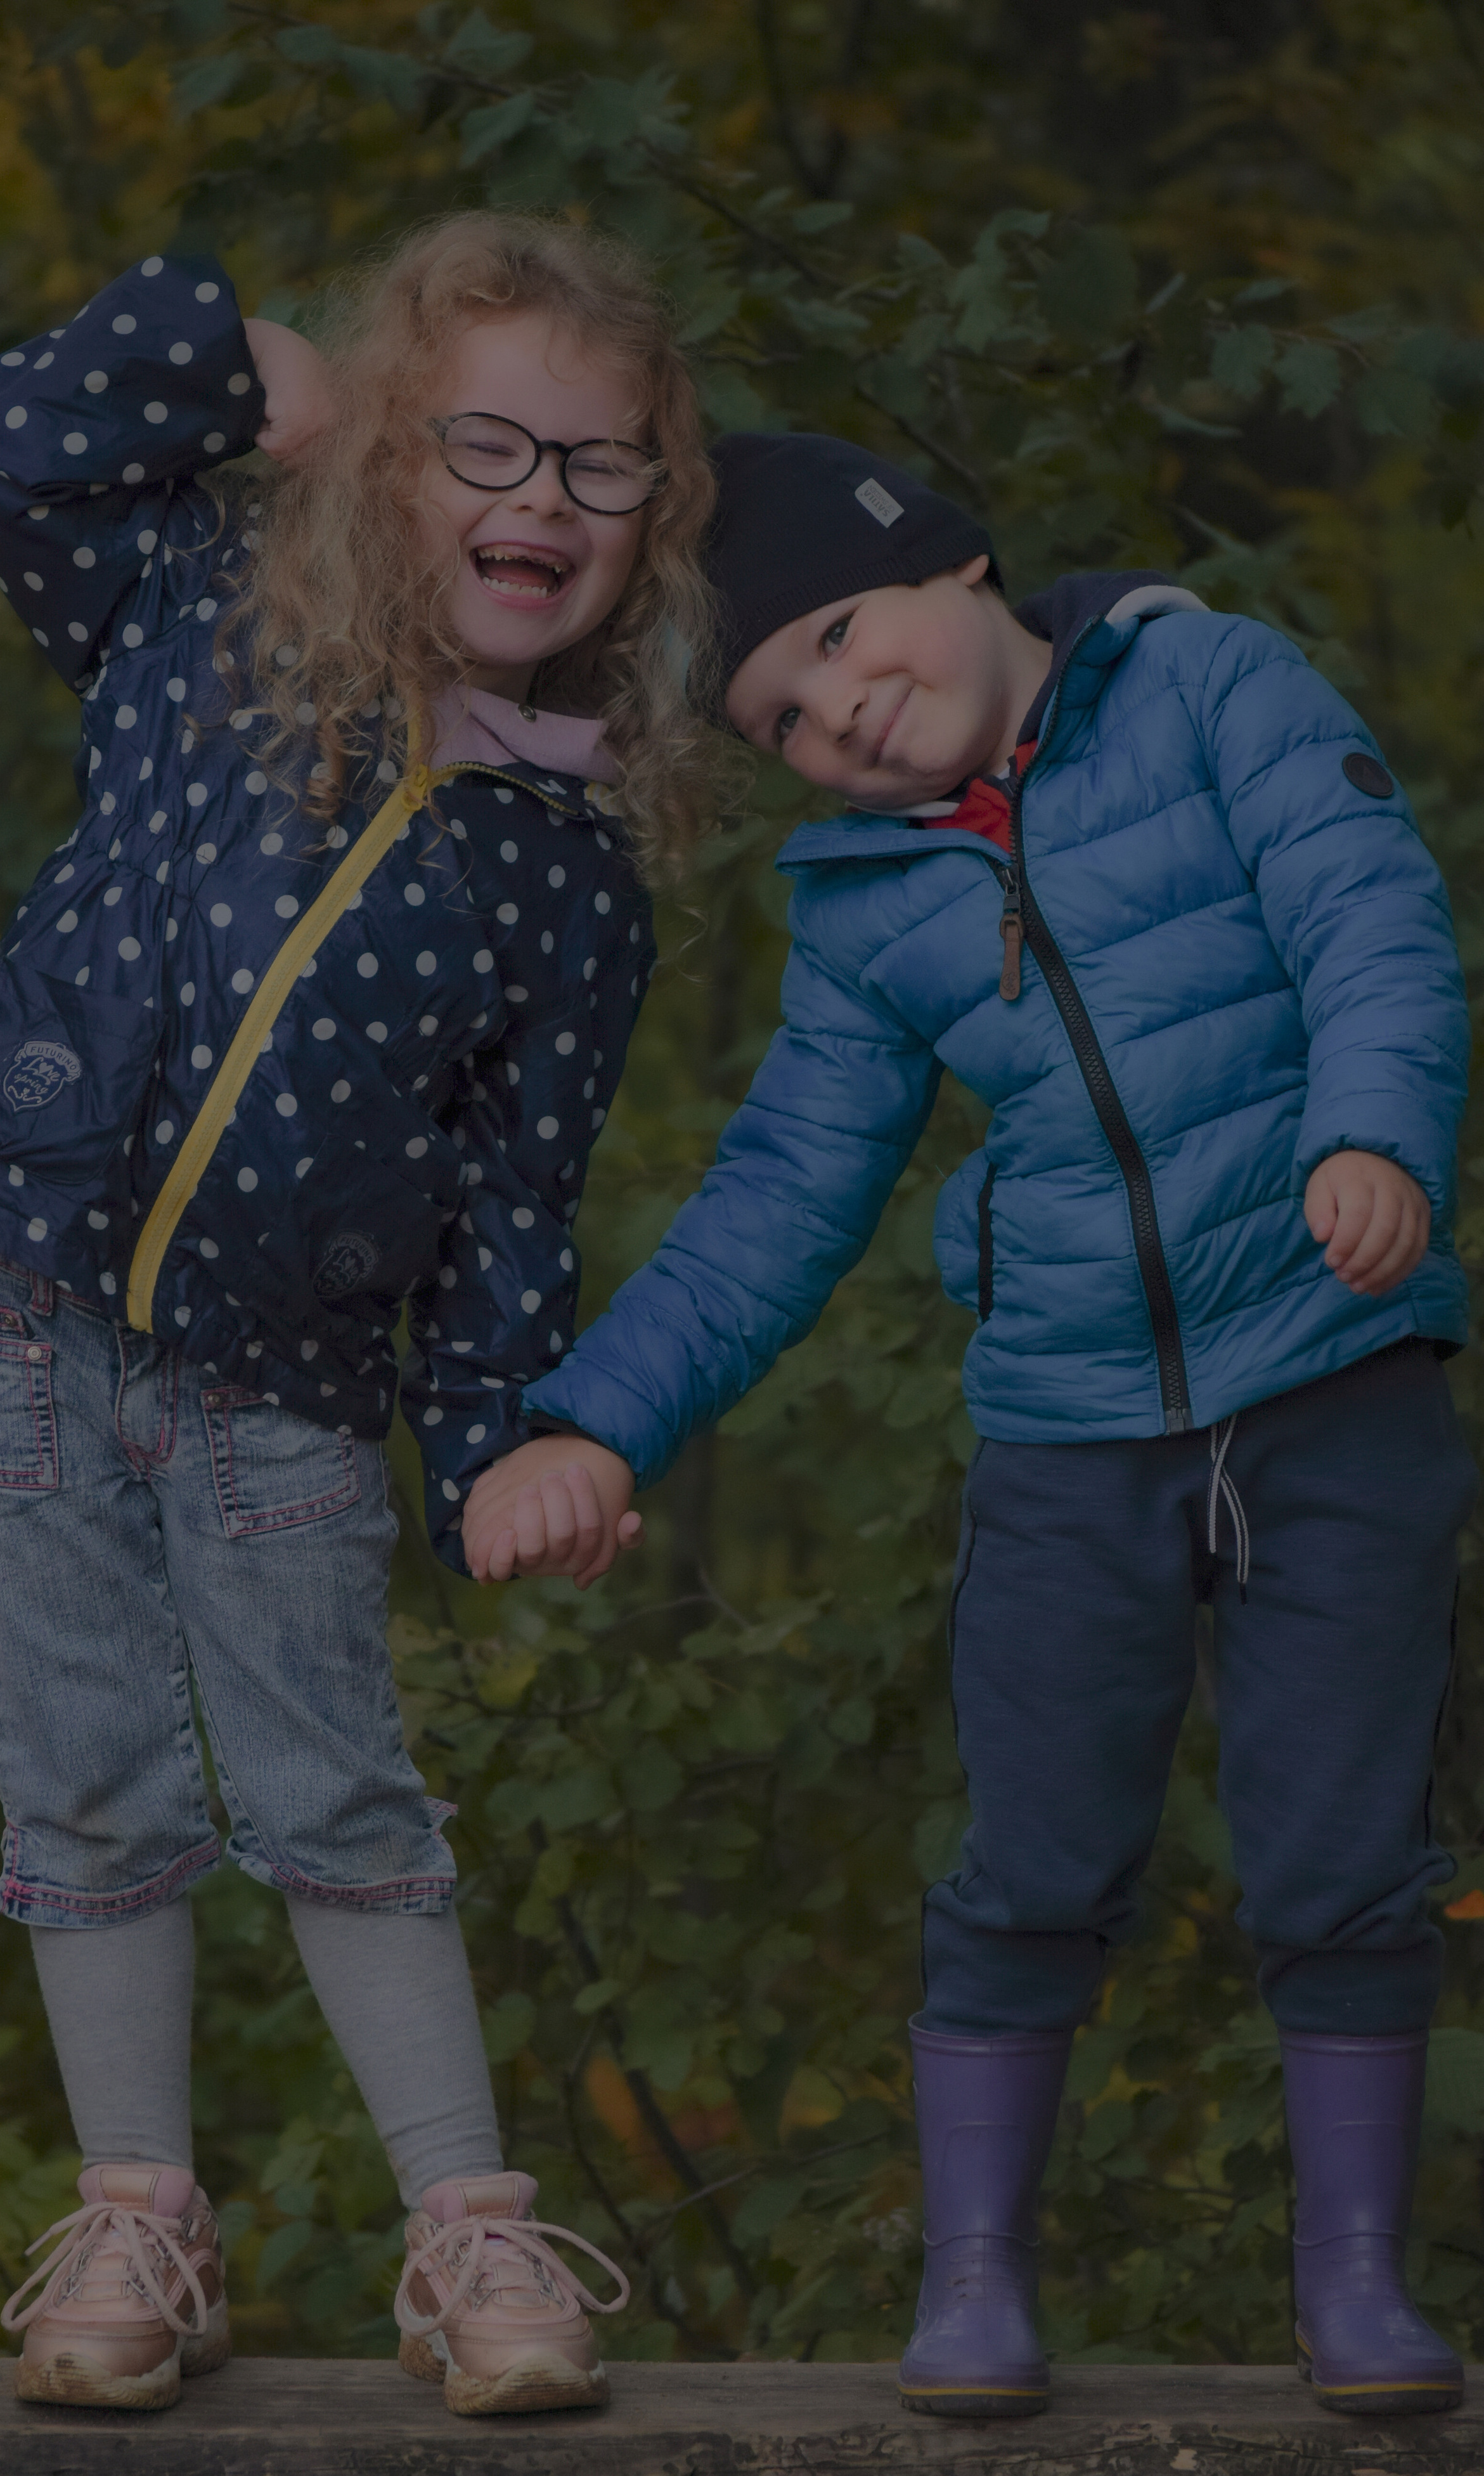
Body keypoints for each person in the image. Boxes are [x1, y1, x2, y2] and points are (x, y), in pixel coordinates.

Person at [462, 431, 1476, 2421]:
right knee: (1029, 1856)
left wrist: (1375, 1126)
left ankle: (1356, 2279)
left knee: (1345, 1861)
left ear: (957, 562)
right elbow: (780, 1196)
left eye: (842, 634)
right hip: (1069, 1430)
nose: (840, 707)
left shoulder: (1212, 686)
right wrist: (592, 1419)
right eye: (787, 718)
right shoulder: (860, 900)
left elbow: (1373, 914)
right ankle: (976, 2277)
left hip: (1334, 1381)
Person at [0, 213, 725, 2417]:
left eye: (600, 467)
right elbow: (12, 446)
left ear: (652, 520)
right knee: (84, 1779)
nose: (542, 499)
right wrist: (242, 360)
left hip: (293, 1365)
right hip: (23, 1281)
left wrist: (506, 1440)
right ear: (382, 470)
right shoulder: (201, 624)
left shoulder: (569, 862)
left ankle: (470, 2232)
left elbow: (514, 1195)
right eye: (488, 443)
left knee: (333, 1782)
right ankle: (140, 2215)